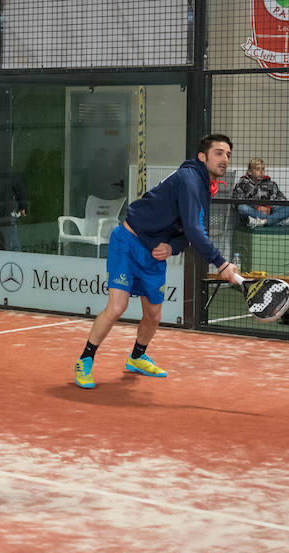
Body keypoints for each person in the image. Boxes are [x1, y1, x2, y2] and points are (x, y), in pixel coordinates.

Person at [73, 134, 242, 389]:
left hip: (153, 254)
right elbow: (195, 231)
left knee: (153, 315)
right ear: (202, 156)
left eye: (228, 154)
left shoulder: (203, 186)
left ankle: (137, 357)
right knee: (117, 307)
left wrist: (171, 246)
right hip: (128, 242)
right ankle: (85, 359)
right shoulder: (189, 179)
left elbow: (189, 231)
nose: (225, 159)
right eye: (219, 153)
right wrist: (222, 264)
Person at [232, 158, 289, 228]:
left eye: (263, 169)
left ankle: (264, 222)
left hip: (271, 211)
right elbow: (237, 203)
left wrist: (269, 208)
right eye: (257, 169)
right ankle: (276, 221)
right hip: (253, 213)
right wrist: (257, 207)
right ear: (250, 172)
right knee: (242, 208)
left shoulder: (271, 184)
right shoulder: (241, 185)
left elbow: (282, 199)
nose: (261, 172)